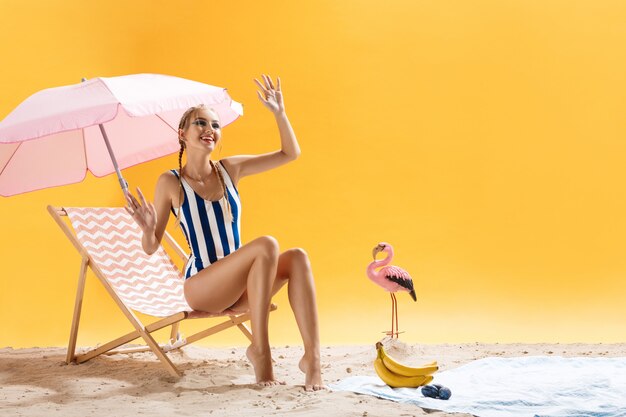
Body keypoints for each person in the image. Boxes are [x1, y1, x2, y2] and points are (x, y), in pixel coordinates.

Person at [124, 75, 323, 391]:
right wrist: (147, 228)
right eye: (200, 123)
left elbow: (290, 154)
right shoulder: (170, 182)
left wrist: (280, 114)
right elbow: (151, 247)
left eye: (215, 125)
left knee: (298, 257)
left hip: (244, 289)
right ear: (182, 135)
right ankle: (261, 350)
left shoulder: (230, 169)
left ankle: (313, 361)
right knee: (267, 244)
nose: (209, 129)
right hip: (202, 287)